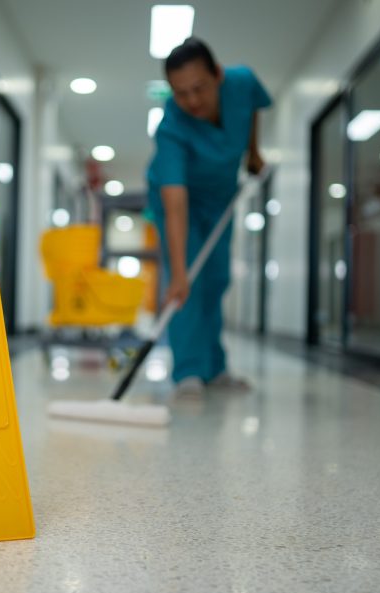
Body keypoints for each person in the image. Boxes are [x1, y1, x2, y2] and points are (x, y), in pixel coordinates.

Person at [146, 37, 271, 399]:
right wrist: (179, 272)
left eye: (199, 88)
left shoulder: (242, 82)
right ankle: (187, 372)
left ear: (217, 74)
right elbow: (174, 202)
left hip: (220, 198)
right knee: (188, 287)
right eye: (180, 93)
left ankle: (215, 369)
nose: (192, 101)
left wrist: (253, 151)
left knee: (216, 280)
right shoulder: (171, 127)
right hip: (179, 199)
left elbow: (253, 109)